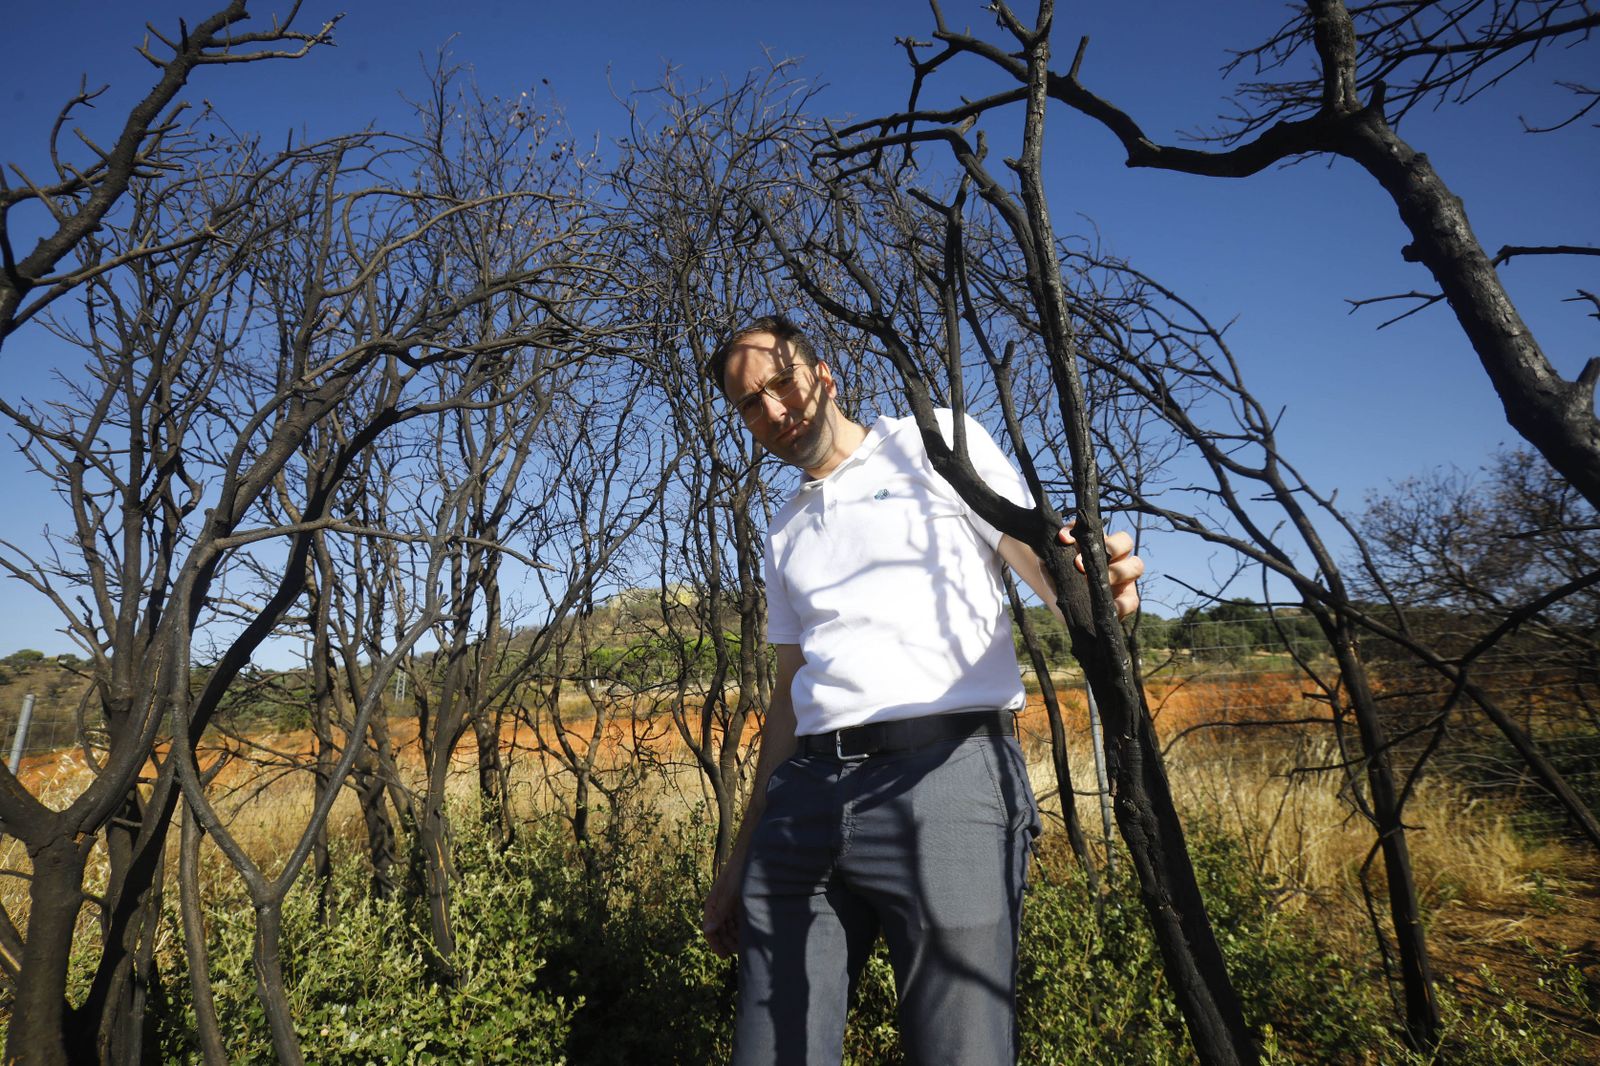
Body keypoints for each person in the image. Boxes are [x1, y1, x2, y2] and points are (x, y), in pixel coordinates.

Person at [701, 314, 1143, 1065]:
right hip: (804, 796)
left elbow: (1039, 561)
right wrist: (738, 858)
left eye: (782, 382)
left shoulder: (934, 440)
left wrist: (1096, 589)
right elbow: (787, 695)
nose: (774, 410)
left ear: (824, 373)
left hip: (947, 780)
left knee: (959, 1049)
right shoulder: (783, 529)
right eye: (751, 402)